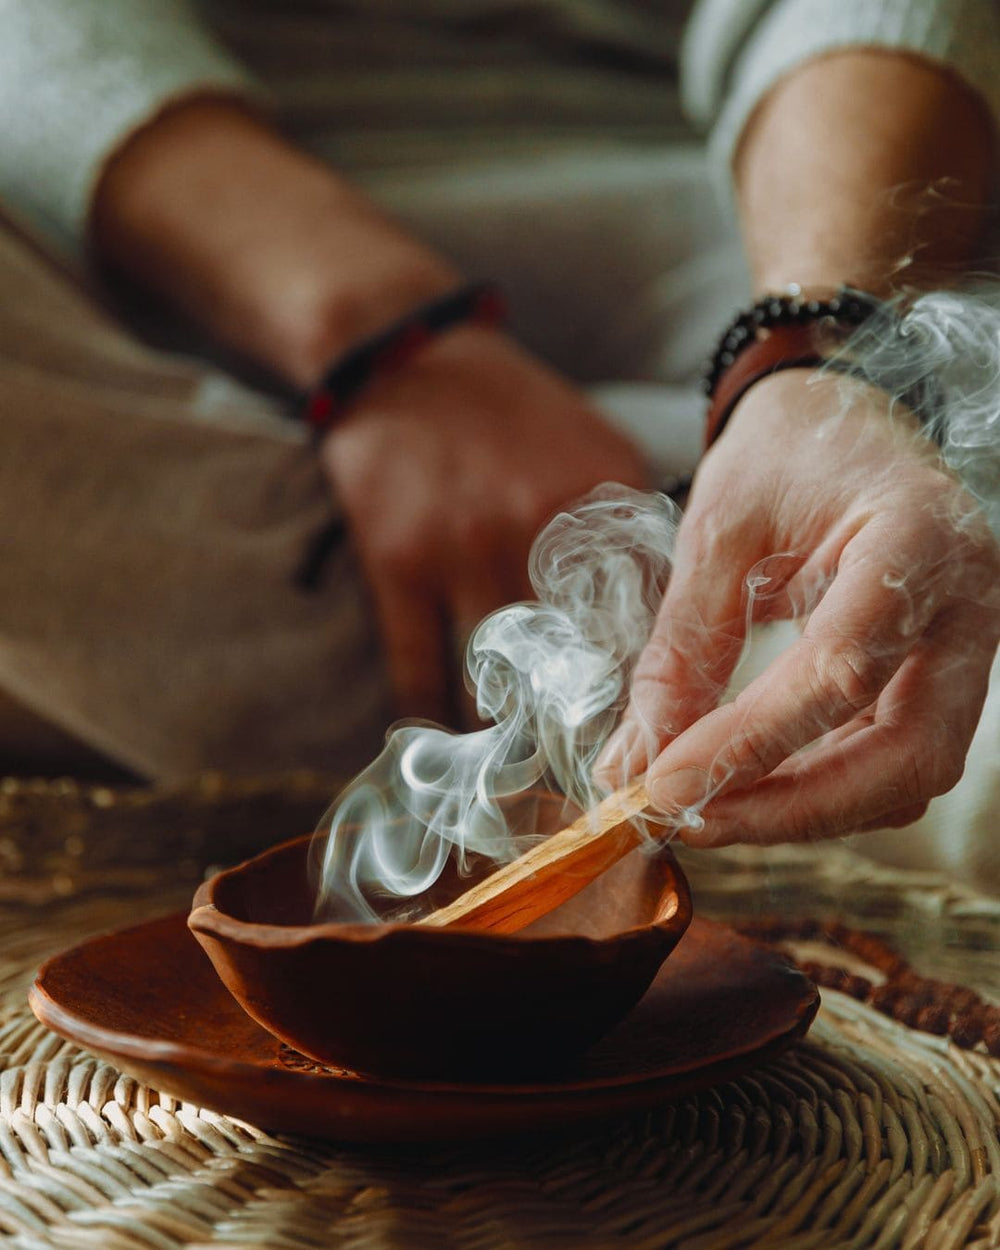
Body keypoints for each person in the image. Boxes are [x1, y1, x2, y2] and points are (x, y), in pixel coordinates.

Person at [0, 1, 997, 873]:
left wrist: (813, 358)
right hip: (116, 220)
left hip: (764, 183)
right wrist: (390, 339)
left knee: (946, 386)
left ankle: (731, 670)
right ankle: (772, 685)